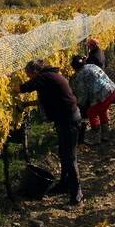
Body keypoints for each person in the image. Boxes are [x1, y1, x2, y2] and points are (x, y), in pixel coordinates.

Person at [15, 60, 83, 205]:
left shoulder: (44, 77)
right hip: (67, 118)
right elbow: (47, 99)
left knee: (70, 157)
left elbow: (24, 88)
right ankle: (65, 185)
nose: (29, 78)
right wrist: (27, 104)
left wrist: (12, 88)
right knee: (63, 153)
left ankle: (77, 194)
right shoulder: (50, 77)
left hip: (68, 120)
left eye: (29, 75)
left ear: (34, 72)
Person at [69, 55, 115, 144]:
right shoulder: (91, 65)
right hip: (112, 90)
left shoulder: (79, 76)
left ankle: (95, 137)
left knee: (91, 112)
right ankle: (105, 134)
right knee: (102, 110)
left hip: (102, 95)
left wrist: (79, 105)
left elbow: (82, 95)